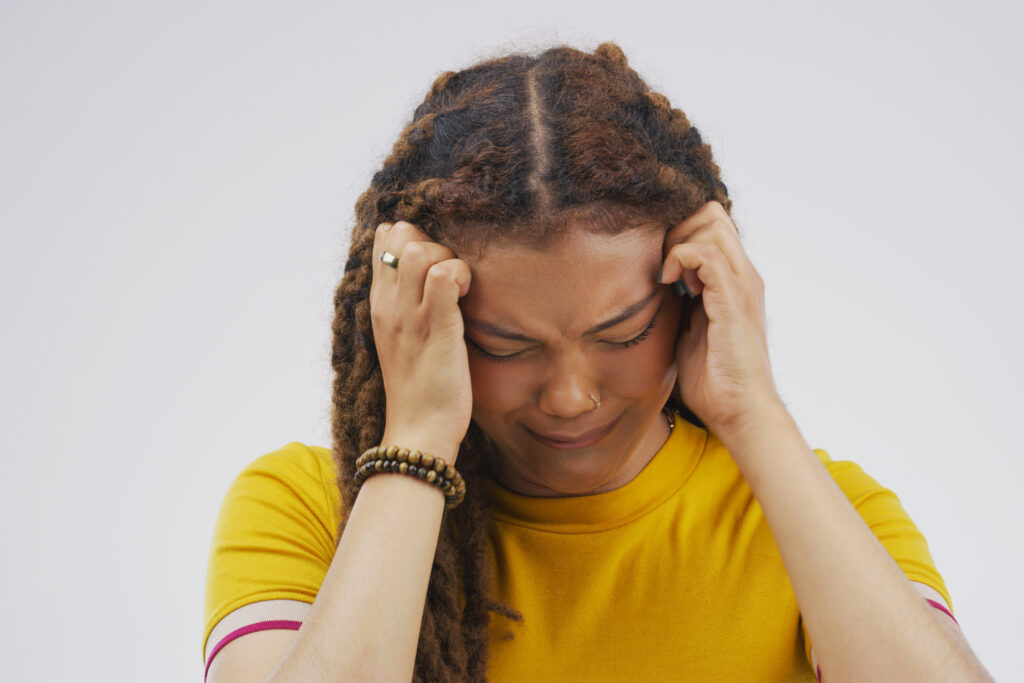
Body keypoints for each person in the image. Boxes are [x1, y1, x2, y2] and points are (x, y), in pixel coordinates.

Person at [202, 42, 992, 681]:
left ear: (693, 296)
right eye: (507, 345)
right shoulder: (308, 508)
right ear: (419, 320)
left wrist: (755, 413)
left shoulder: (822, 517)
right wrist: (416, 437)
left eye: (621, 333)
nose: (572, 396)